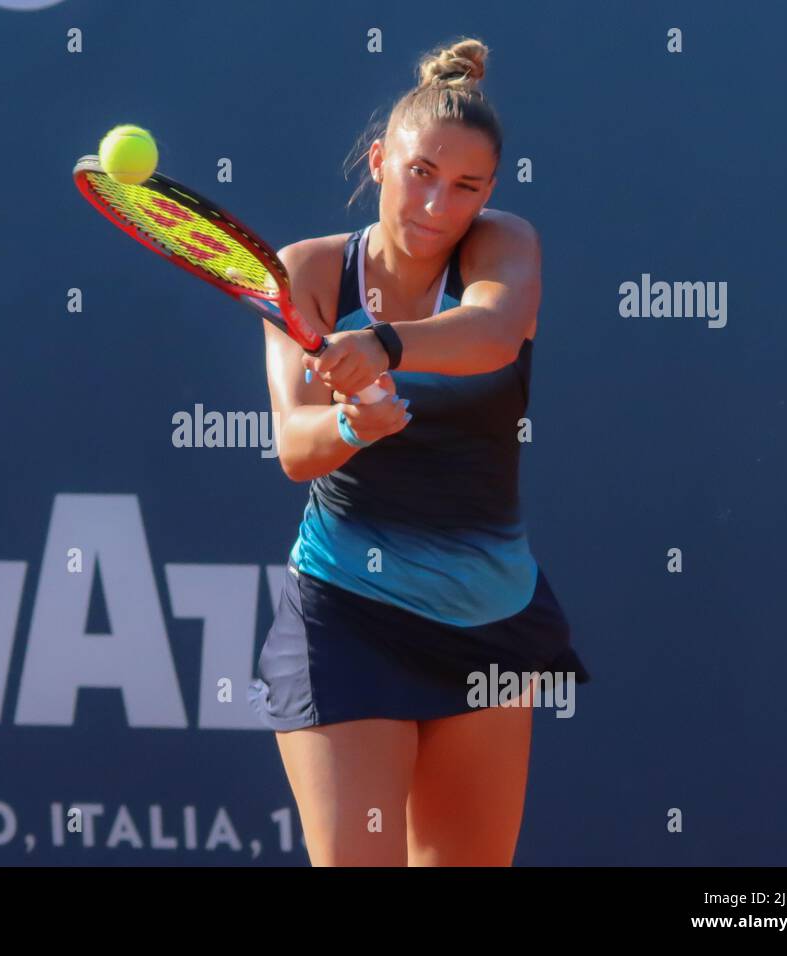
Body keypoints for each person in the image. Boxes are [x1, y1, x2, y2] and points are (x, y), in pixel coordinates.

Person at [247, 37, 590, 866]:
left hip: (489, 622)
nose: (439, 204)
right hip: (344, 611)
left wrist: (385, 347)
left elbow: (498, 331)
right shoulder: (308, 271)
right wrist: (357, 424)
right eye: (420, 173)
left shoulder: (503, 245)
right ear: (378, 161)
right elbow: (296, 447)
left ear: (491, 194)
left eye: (467, 186)